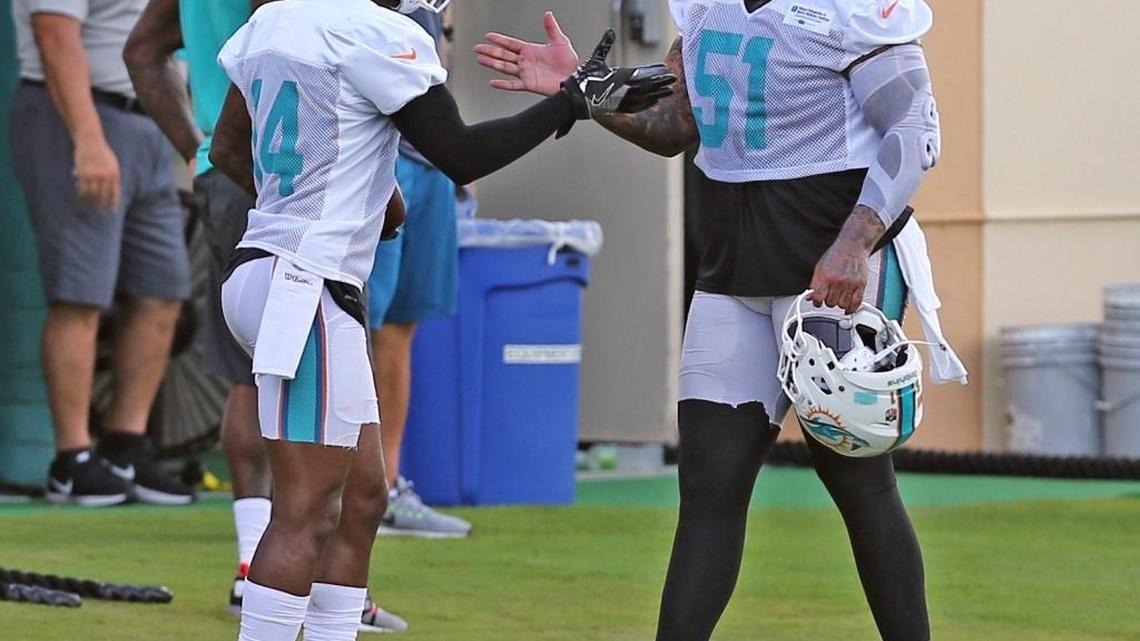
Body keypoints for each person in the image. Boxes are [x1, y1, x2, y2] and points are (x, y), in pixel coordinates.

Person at [475, 2, 966, 640]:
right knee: (709, 485)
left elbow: (913, 128)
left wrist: (854, 243)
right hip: (735, 261)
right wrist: (586, 95)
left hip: (830, 263)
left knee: (857, 480)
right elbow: (679, 124)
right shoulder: (705, 6)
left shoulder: (848, 8)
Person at [208, 1, 674, 639]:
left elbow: (227, 146)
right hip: (305, 287)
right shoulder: (380, 32)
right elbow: (461, 154)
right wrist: (571, 101)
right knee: (304, 511)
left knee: (364, 498)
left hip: (269, 272)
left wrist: (361, 194)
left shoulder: (277, 18)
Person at [122, 0, 407, 631]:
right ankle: (258, 567)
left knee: (273, 396)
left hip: (254, 175)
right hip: (295, 194)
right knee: (298, 468)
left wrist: (196, 149)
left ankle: (260, 564)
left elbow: (143, 48)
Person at [9, 0, 194, 507]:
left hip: (148, 121)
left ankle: (124, 447)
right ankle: (72, 458)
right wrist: (88, 140)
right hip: (75, 117)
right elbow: (54, 34)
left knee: (163, 293)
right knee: (80, 295)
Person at [367, 4, 472, 539]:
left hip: (430, 155)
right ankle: (338, 489)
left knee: (399, 327)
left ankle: (383, 489)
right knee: (352, 325)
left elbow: (435, 41)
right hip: (373, 146)